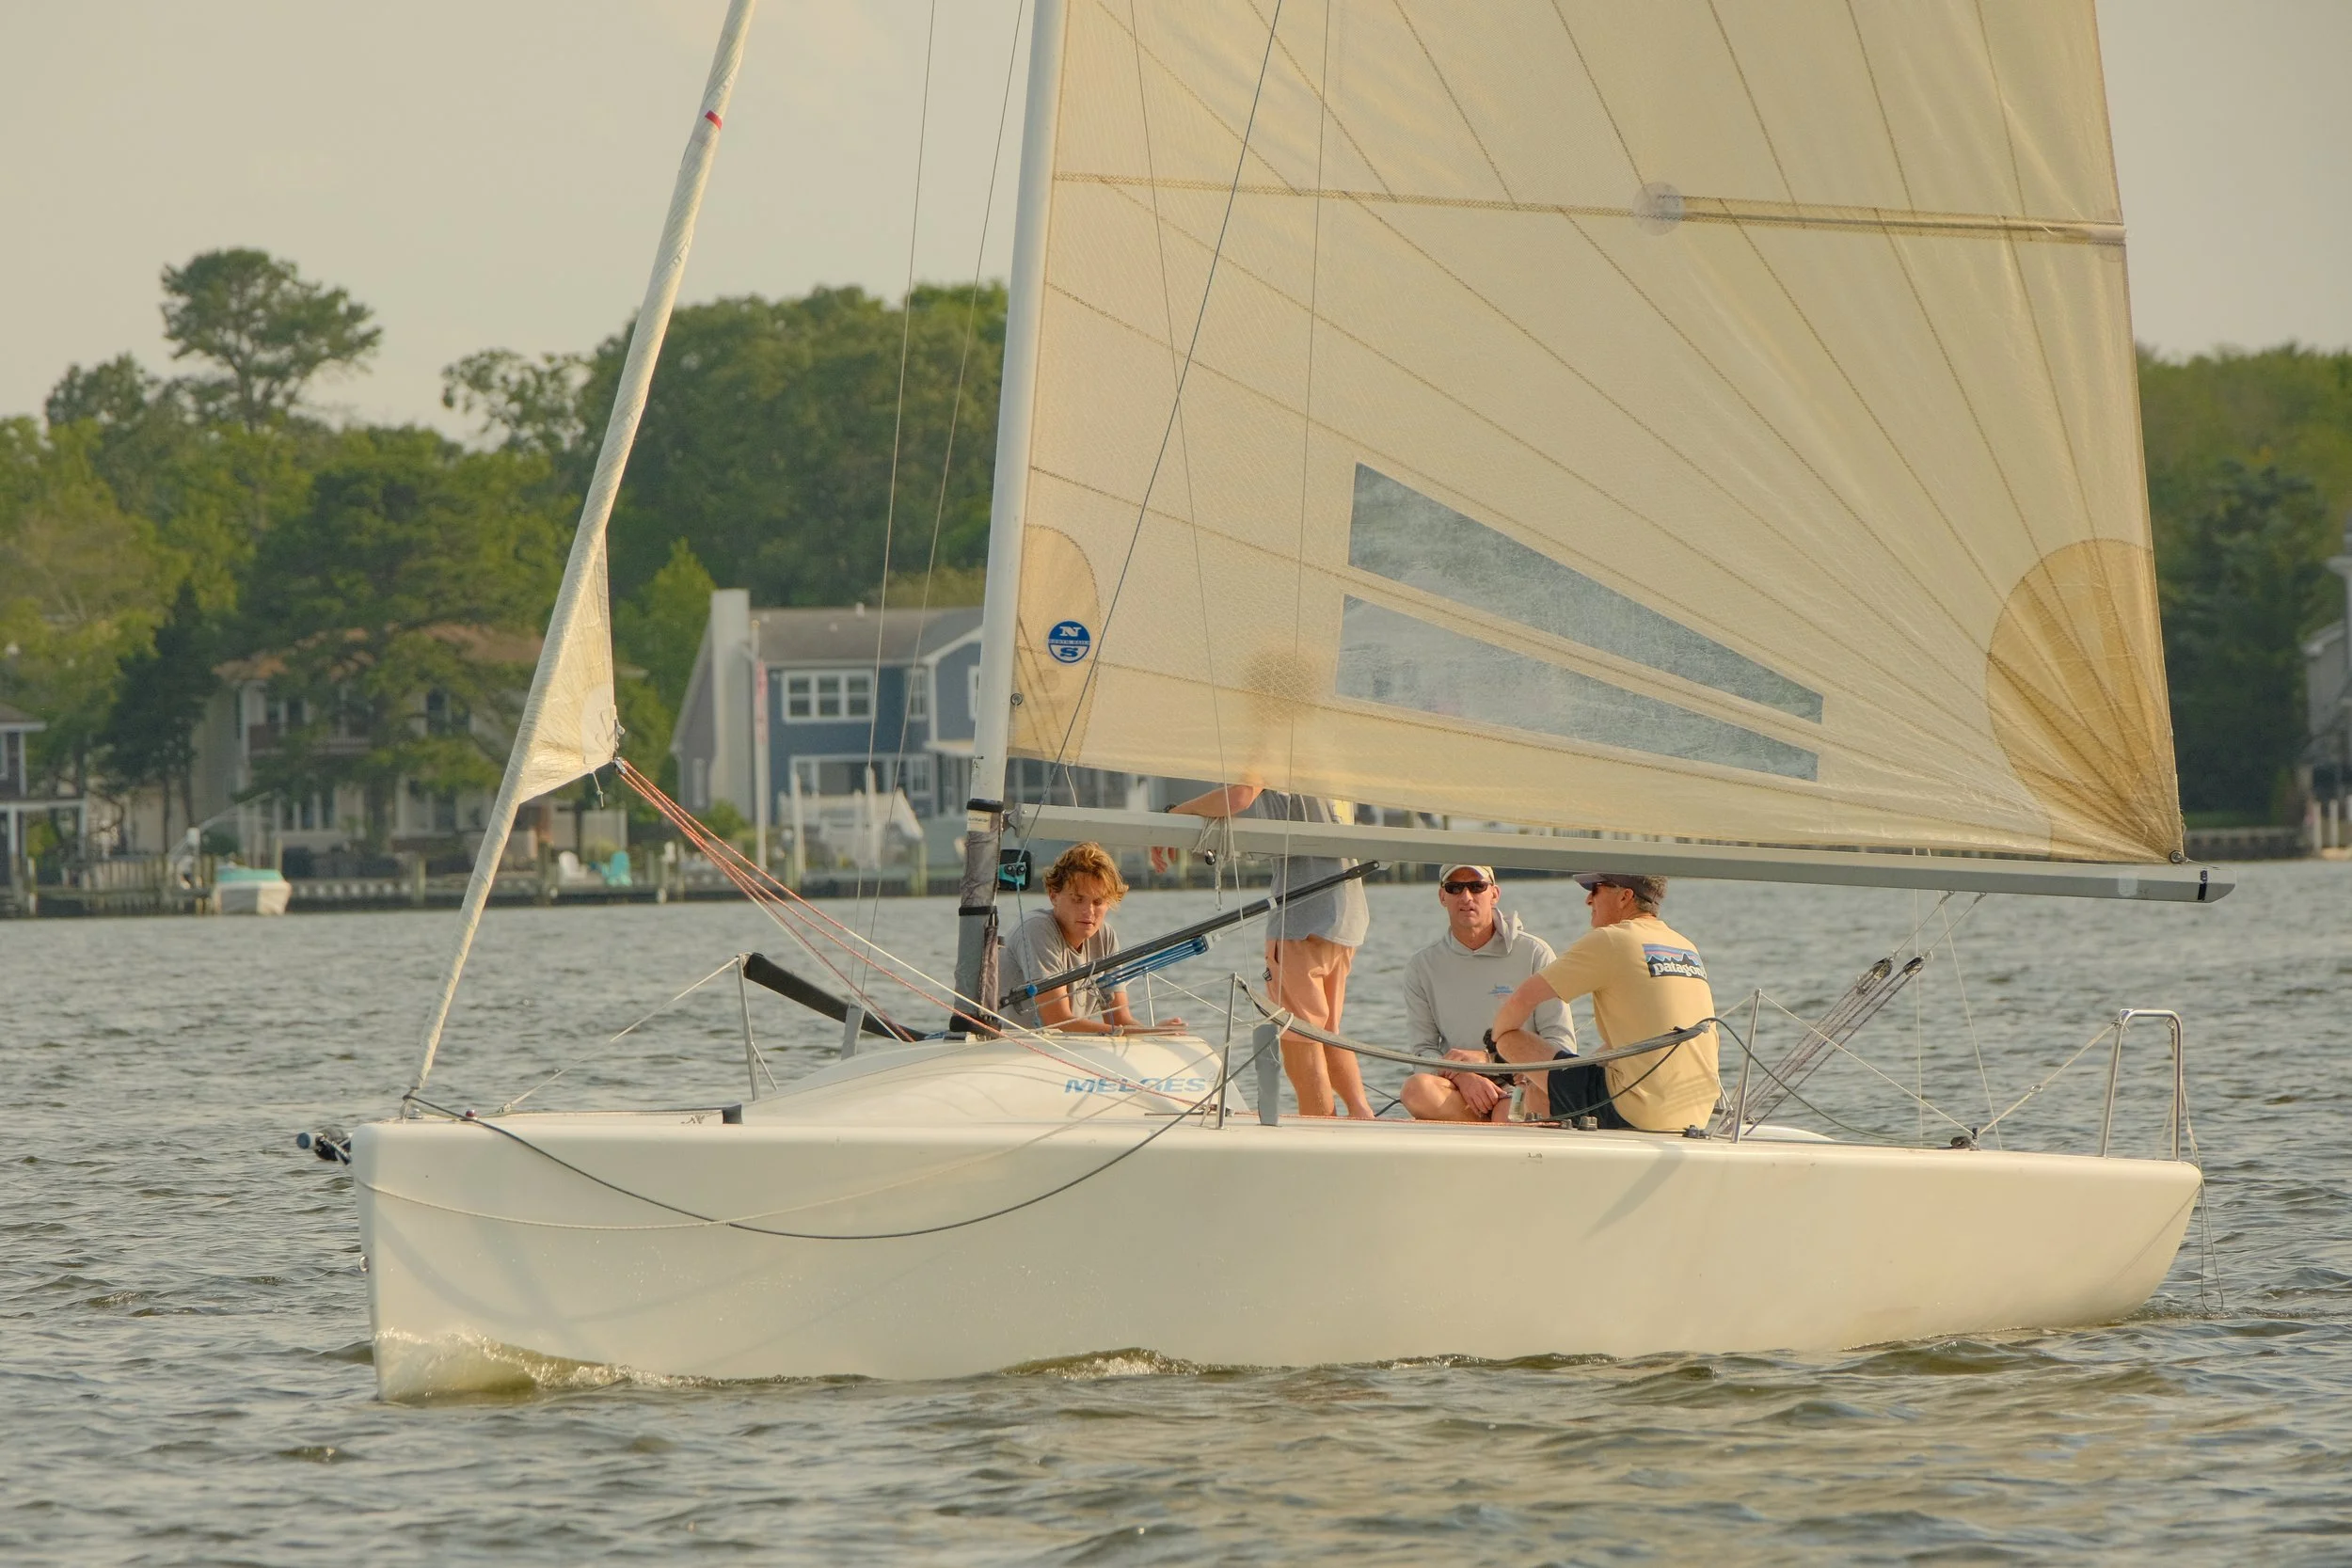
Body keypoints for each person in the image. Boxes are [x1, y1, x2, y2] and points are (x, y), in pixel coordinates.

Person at [1152, 784, 1373, 1117]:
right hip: (1347, 910)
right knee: (1328, 1030)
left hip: (1304, 914)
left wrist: (1173, 815)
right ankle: (1362, 1114)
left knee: (1298, 1034)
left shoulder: (1273, 754)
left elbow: (1239, 796)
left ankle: (1318, 1127)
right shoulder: (1324, 763)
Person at [1486, 873, 1720, 1132]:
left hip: (1638, 1112)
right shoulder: (1684, 946)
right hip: (1696, 1113)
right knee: (1552, 1083)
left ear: (1625, 896)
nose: (1588, 899)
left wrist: (1496, 1046)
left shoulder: (1612, 939)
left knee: (1511, 1043)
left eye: (1595, 889)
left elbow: (1522, 998)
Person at [1398, 864, 1576, 1122]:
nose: (1466, 897)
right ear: (1442, 897)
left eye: (1477, 886)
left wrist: (1488, 1060)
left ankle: (1490, 1124)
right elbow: (1422, 1050)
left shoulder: (1535, 953)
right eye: (1454, 888)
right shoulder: (1422, 965)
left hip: (1523, 1083)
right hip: (1459, 1086)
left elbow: (1561, 1044)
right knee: (1416, 1090)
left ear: (1494, 894)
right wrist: (1463, 1075)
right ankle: (1488, 1125)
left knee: (1506, 1114)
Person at [999, 842, 1183, 1035]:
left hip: (1064, 1045)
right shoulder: (1036, 928)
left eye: (1098, 902)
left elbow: (1120, 1020)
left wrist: (1156, 1032)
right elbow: (1058, 1021)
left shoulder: (1105, 936)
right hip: (1013, 1045)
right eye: (1077, 899)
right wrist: (1146, 1034)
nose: (1089, 912)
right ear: (1053, 896)